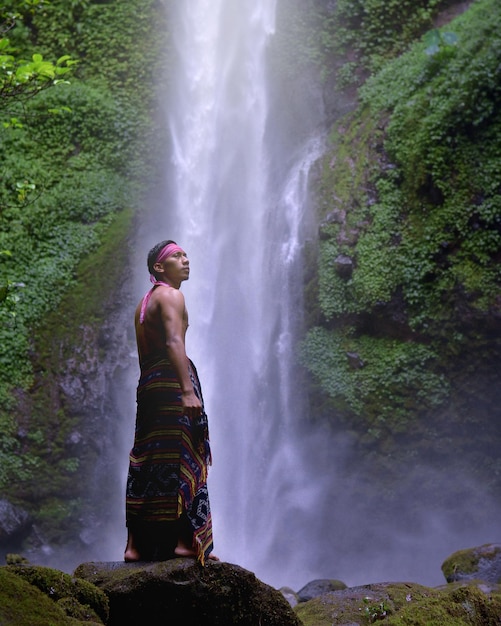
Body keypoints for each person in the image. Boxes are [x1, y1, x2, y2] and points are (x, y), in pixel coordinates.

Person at [124, 240, 216, 564]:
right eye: (177, 256)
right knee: (184, 454)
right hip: (172, 383)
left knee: (146, 458)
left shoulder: (143, 303)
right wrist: (187, 390)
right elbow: (175, 341)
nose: (185, 259)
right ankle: (183, 540)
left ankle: (134, 545)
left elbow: (144, 355)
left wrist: (152, 385)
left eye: (186, 254)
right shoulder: (172, 295)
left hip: (150, 383)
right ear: (159, 268)